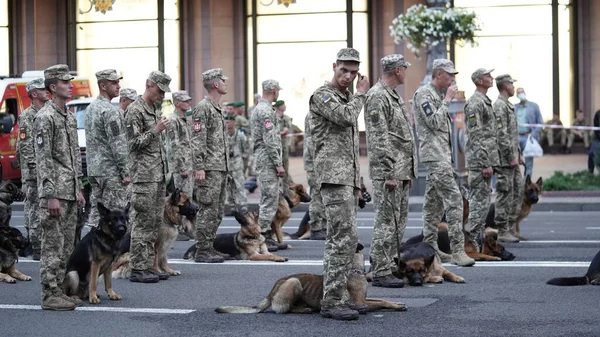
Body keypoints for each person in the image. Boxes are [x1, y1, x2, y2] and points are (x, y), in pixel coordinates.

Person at [310, 48, 370, 321]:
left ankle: (342, 295)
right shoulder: (323, 95)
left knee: (347, 240)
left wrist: (358, 181)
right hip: (333, 179)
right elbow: (346, 117)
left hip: (345, 179)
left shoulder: (347, 97)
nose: (348, 76)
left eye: (353, 72)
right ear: (334, 66)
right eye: (343, 70)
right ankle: (332, 301)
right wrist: (361, 94)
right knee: (340, 240)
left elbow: (348, 145)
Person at [412, 59, 475, 267]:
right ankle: (457, 250)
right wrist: (448, 99)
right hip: (433, 156)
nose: (453, 78)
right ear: (438, 75)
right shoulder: (424, 94)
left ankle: (430, 248)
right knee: (455, 200)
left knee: (433, 204)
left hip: (440, 156)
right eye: (449, 75)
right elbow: (435, 122)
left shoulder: (437, 95)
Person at [35, 64, 86, 310]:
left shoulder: (67, 115)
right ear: (53, 88)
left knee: (66, 247)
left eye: (70, 81)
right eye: (65, 82)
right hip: (55, 194)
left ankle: (58, 289)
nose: (70, 85)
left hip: (69, 191)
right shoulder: (45, 118)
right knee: (52, 246)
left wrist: (77, 189)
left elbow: (73, 157)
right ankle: (49, 294)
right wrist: (50, 195)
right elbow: (43, 160)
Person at [365, 54, 417, 288]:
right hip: (390, 172)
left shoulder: (392, 95)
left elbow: (401, 137)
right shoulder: (377, 96)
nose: (406, 71)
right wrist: (389, 173)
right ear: (397, 70)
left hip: (400, 170)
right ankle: (380, 270)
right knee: (386, 222)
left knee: (397, 223)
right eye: (404, 68)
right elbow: (378, 138)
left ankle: (390, 263)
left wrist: (409, 172)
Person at [125, 70, 171, 283]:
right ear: (148, 85)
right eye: (159, 91)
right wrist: (156, 129)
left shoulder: (153, 108)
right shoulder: (135, 110)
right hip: (144, 176)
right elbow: (132, 143)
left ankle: (148, 265)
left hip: (157, 175)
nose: (162, 95)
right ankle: (137, 268)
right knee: (142, 223)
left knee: (154, 223)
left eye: (164, 92)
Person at [190, 68, 230, 263]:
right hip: (209, 168)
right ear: (215, 84)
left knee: (217, 211)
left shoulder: (217, 107)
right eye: (223, 80)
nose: (225, 83)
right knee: (207, 209)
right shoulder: (203, 108)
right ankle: (202, 249)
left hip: (220, 167)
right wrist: (199, 167)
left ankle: (210, 245)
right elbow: (198, 139)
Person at [84, 69, 130, 229]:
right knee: (115, 214)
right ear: (103, 86)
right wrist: (125, 172)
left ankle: (93, 248)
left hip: (95, 170)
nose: (118, 86)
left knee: (98, 214)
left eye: (118, 82)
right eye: (114, 83)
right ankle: (112, 253)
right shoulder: (110, 111)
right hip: (110, 172)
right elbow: (118, 144)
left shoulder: (91, 108)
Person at [464, 68, 500, 250]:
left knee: (483, 202)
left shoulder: (485, 101)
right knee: (478, 203)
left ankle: (475, 239)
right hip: (480, 162)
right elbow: (476, 134)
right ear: (479, 81)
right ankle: (471, 241)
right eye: (487, 76)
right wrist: (485, 163)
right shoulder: (475, 103)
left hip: (485, 160)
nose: (491, 78)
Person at [249, 79, 285, 252]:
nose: (279, 93)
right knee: (269, 198)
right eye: (278, 90)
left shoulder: (262, 108)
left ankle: (266, 234)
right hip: (267, 159)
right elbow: (269, 139)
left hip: (265, 158)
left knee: (270, 197)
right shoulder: (265, 110)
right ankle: (262, 234)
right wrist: (278, 163)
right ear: (273, 91)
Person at [16, 77, 49, 261]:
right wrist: (33, 170)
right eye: (42, 89)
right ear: (34, 94)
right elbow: (25, 146)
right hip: (33, 171)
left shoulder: (46, 112)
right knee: (35, 207)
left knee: (42, 206)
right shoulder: (28, 116)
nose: (47, 91)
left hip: (44, 168)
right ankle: (36, 245)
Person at [493, 74, 522, 243]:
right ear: (505, 85)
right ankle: (502, 229)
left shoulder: (508, 105)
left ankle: (510, 227)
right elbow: (501, 134)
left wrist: (520, 154)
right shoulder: (499, 106)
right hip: (505, 160)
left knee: (517, 191)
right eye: (511, 84)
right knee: (505, 193)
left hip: (513, 158)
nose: (513, 87)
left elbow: (513, 135)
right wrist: (511, 156)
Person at [166, 90, 194, 198]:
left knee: (188, 199)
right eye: (185, 101)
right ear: (177, 103)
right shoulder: (173, 120)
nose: (189, 103)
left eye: (189, 100)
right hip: (181, 169)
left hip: (188, 166)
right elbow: (174, 146)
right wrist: (182, 168)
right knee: (182, 201)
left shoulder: (184, 119)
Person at [303, 112, 326, 240]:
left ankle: (323, 225)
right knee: (317, 196)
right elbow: (315, 139)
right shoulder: (314, 114)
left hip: (319, 163)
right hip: (314, 163)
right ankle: (317, 228)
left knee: (321, 195)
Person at [515, 87, 543, 178]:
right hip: (516, 138)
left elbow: (540, 123)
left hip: (528, 138)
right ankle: (517, 183)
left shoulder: (533, 106)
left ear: (525, 93)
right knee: (514, 161)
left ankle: (526, 182)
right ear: (516, 95)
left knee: (528, 163)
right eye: (518, 93)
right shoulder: (514, 107)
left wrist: (533, 134)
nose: (520, 94)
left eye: (522, 92)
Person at [225, 114, 248, 213]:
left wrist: (245, 163)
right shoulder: (223, 135)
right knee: (229, 187)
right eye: (225, 122)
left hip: (237, 164)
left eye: (228, 122)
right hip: (227, 164)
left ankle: (243, 205)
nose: (226, 124)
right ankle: (231, 206)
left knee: (240, 185)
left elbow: (246, 150)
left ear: (233, 122)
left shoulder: (240, 135)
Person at [274, 100, 293, 184]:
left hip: (284, 144)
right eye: (283, 105)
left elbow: (289, 129)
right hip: (275, 145)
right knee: (277, 164)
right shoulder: (273, 117)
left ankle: (286, 183)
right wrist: (280, 133)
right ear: (279, 107)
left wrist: (286, 131)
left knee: (285, 164)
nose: (285, 106)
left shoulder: (286, 118)